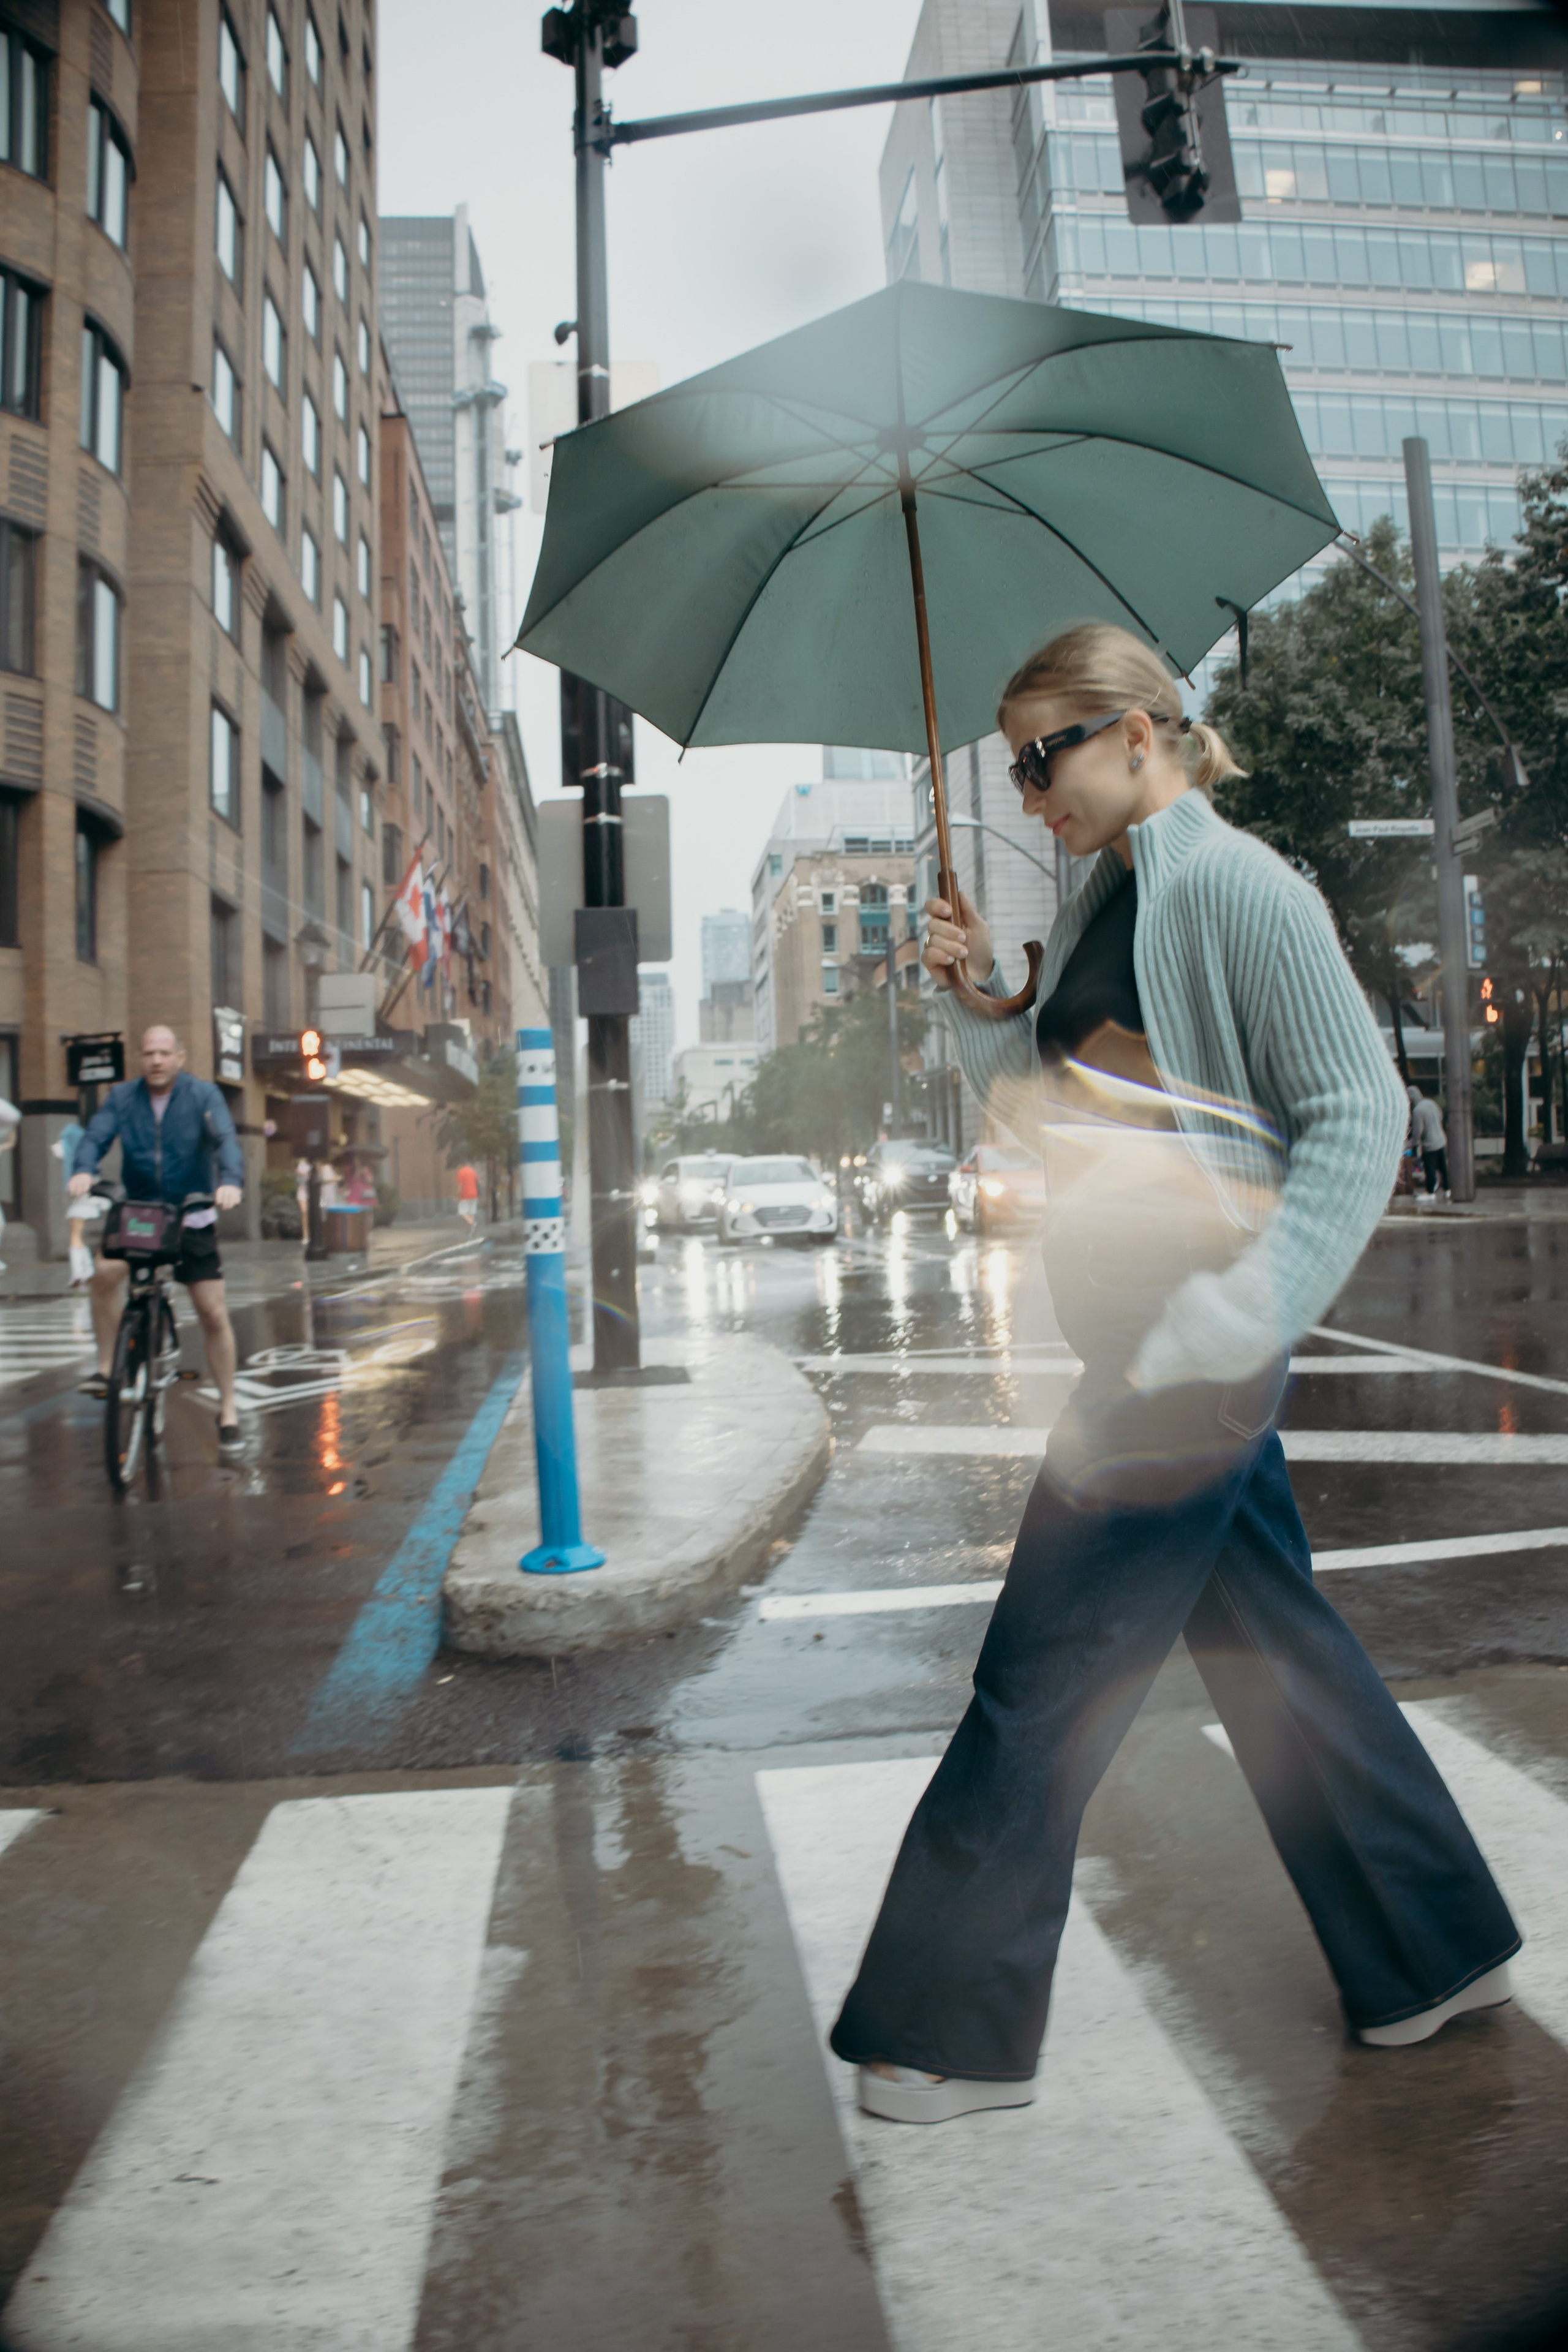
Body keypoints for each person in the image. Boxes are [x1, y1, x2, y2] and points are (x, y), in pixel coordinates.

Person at [831, 622, 1518, 2127]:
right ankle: (1432, 1947)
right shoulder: (1111, 894)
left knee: (1040, 1670)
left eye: (1041, 758)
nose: (1026, 794)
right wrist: (967, 993)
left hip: (1181, 1349)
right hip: (1139, 1330)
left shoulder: (1236, 889)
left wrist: (1243, 1310)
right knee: (1279, 1654)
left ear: (1138, 732)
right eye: (1014, 767)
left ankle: (947, 2024)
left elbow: (1359, 1112)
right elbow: (1038, 1110)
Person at [69, 1025, 246, 1454]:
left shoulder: (203, 1095)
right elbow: (95, 1137)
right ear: (140, 1058)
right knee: (104, 1274)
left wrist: (230, 1181)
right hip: (142, 1216)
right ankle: (109, 1368)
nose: (157, 1061)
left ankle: (228, 1408)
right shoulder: (122, 1098)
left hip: (191, 1214)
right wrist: (84, 1169)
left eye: (165, 1053)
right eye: (149, 1053)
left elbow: (225, 1139)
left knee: (212, 1312)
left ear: (180, 1057)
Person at [1408, 1082, 1449, 1202]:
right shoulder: (1431, 1103)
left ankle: (1430, 1192)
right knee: (1442, 1167)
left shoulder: (1417, 1111)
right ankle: (1447, 1190)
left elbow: (1418, 1131)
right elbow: (1440, 1116)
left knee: (1430, 1168)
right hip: (1441, 1140)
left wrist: (1413, 1143)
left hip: (1430, 1144)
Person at [455, 1161, 480, 1231]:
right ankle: (472, 1230)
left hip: (465, 1195)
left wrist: (458, 1194)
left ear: (461, 1165)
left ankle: (473, 1223)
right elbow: (478, 1181)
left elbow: (460, 1185)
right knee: (472, 1212)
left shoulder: (461, 1172)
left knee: (462, 1212)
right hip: (475, 1194)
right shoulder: (473, 1171)